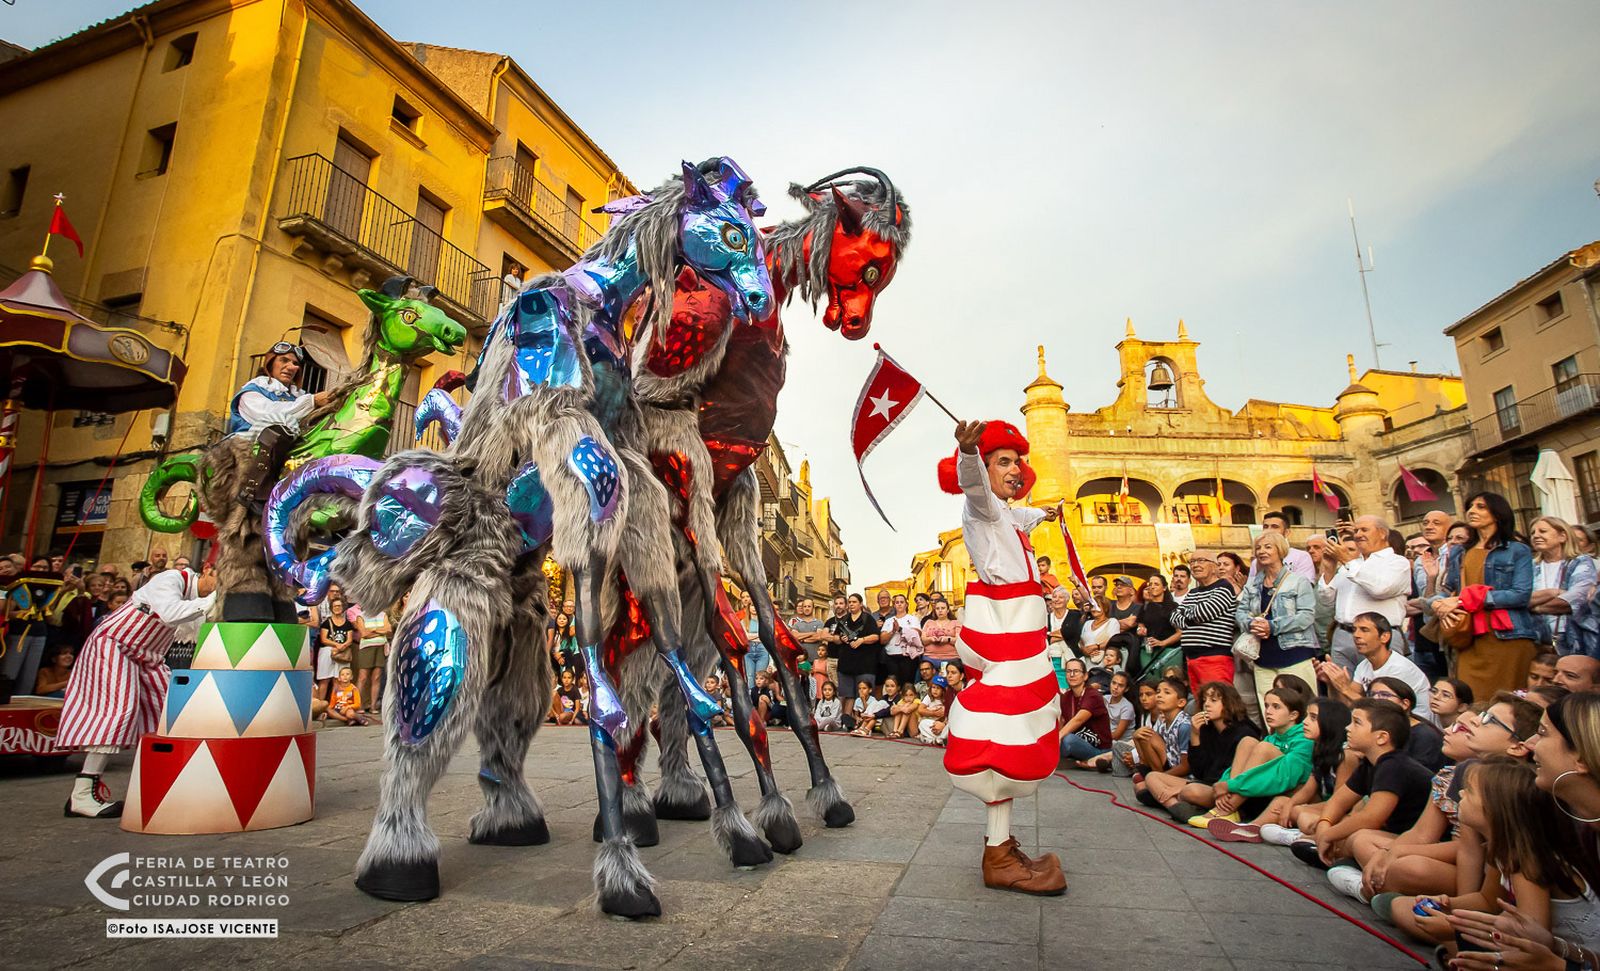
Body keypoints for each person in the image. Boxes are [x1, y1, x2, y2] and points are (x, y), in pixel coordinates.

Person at [938, 418, 1065, 895]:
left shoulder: (1010, 515)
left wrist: (1046, 514)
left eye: (1018, 462)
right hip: (1009, 644)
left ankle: (1001, 843)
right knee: (1006, 742)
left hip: (1023, 640)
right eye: (1004, 461)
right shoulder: (984, 508)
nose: (1015, 469)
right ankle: (998, 855)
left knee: (1014, 744)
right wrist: (969, 454)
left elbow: (1023, 517)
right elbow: (974, 490)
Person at [55, 568, 218, 817]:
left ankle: (170, 784)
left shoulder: (194, 598)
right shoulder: (171, 579)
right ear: (207, 570)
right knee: (117, 712)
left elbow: (194, 634)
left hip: (147, 658)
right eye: (221, 580)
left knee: (172, 708)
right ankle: (82, 793)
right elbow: (171, 613)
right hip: (115, 646)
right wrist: (216, 598)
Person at [1390, 759, 1589, 954]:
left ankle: (1459, 950)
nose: (1460, 793)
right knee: (1401, 907)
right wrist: (1449, 905)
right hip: (1512, 935)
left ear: (1495, 810)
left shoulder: (1527, 860)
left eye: (1469, 791)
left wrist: (1455, 930)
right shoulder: (1502, 847)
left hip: (1566, 954)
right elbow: (1487, 901)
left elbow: (1533, 939)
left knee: (1458, 940)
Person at [1285, 699, 1434, 870]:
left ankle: (1364, 874)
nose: (1347, 728)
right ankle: (1339, 858)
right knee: (1340, 832)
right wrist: (1324, 824)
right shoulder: (1370, 764)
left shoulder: (1394, 765)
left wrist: (1328, 835)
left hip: (1414, 841)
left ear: (1381, 737)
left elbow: (1371, 818)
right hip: (1391, 835)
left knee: (1359, 839)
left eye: (1356, 723)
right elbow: (1338, 801)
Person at [1431, 491, 1541, 700]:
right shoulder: (1460, 552)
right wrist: (1437, 604)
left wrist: (1471, 599)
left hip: (1509, 637)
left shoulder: (1518, 550)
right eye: (1470, 506)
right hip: (1469, 637)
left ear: (1498, 513)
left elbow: (1520, 595)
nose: (1472, 511)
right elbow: (1448, 591)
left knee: (1510, 704)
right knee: (1472, 703)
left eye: (1481, 506)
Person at [1217, 697, 1354, 844]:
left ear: (1330, 723)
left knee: (1301, 815)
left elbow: (1339, 803)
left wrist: (1297, 808)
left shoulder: (1346, 756)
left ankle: (1298, 837)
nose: (1305, 722)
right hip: (1321, 804)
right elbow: (1309, 788)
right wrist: (1290, 805)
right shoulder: (1318, 748)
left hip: (1338, 811)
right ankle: (1253, 829)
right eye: (1307, 716)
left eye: (1313, 718)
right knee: (1283, 802)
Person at [228, 342, 336, 507]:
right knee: (279, 427)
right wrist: (312, 401)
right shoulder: (253, 391)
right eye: (284, 360)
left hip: (290, 451)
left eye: (295, 363)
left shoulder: (297, 397)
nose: (291, 367)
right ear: (271, 363)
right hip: (247, 449)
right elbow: (269, 414)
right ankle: (255, 490)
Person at [1191, 685, 1313, 829]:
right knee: (1248, 742)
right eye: (1267, 705)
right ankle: (1229, 808)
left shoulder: (1304, 740)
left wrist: (1229, 786)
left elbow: (1287, 775)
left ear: (1293, 715)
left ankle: (1228, 810)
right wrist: (1226, 784)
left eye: (1276, 707)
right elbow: (1236, 767)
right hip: (1255, 792)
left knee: (1262, 747)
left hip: (1290, 793)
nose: (1268, 711)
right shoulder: (1271, 739)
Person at [1236, 530, 1319, 725]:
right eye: (1258, 548)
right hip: (1262, 658)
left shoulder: (1298, 582)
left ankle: (1306, 749)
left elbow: (1307, 616)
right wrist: (1252, 624)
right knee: (1271, 714)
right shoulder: (1252, 586)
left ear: (1280, 550)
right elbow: (1240, 613)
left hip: (1294, 654)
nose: (1262, 551)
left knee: (1303, 708)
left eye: (1268, 547)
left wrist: (1272, 627)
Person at [1145, 680, 1260, 820]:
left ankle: (1178, 802)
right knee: (1151, 777)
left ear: (1229, 703)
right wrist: (1195, 735)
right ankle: (1175, 806)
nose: (1207, 704)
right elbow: (1198, 771)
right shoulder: (1206, 728)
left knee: (1189, 791)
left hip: (1224, 789)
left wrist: (1181, 789)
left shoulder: (1244, 731)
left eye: (1213, 700)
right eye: (1205, 700)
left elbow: (1230, 775)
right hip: (1204, 783)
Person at [1318, 515, 1412, 674]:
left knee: (1382, 691)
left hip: (1378, 638)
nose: (1358, 534)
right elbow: (1326, 601)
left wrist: (1347, 561)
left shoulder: (1397, 562)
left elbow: (1380, 589)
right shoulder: (1352, 565)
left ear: (1382, 533)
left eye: (1364, 530)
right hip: (1342, 635)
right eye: (1355, 530)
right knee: (1342, 691)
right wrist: (1329, 568)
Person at [1318, 612, 1434, 723]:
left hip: (1413, 727)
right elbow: (1348, 704)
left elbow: (1384, 712)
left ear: (1384, 637)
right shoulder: (1364, 666)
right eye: (1354, 630)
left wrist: (1345, 688)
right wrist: (1332, 683)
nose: (1356, 635)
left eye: (1364, 630)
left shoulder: (1399, 668)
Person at [1529, 515, 1599, 658]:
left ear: (1562, 536)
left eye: (1542, 531)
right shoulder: (1529, 566)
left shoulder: (1580, 562)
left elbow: (1574, 601)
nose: (1536, 536)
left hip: (1575, 639)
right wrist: (1553, 592)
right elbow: (1518, 598)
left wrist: (1534, 607)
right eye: (1532, 533)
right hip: (1538, 640)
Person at [1171, 550, 1237, 694]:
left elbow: (1204, 613)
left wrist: (1189, 616)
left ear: (1214, 566)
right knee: (1201, 705)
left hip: (1214, 657)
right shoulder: (1194, 592)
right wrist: (1194, 616)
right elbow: (1174, 617)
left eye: (1201, 560)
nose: (1195, 565)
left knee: (1218, 703)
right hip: (1192, 659)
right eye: (1192, 562)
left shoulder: (1223, 587)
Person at [1057, 658, 1112, 767]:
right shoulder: (1066, 696)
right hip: (1079, 741)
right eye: (1068, 671)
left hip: (1099, 748)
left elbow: (1079, 719)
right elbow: (1062, 721)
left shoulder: (1092, 694)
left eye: (1076, 671)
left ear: (1085, 676)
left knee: (1068, 740)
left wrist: (1058, 737)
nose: (1072, 675)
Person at [833, 593, 884, 698]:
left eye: (854, 602)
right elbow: (835, 638)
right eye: (850, 602)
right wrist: (841, 639)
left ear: (860, 604)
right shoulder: (843, 620)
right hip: (846, 665)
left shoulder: (868, 619)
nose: (851, 604)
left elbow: (876, 637)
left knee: (865, 696)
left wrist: (862, 640)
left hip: (865, 666)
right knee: (846, 697)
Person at [1133, 573, 1180, 684]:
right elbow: (1141, 625)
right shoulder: (1145, 606)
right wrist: (1141, 630)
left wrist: (1163, 642)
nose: (1152, 587)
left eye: (1156, 584)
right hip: (1148, 650)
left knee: (1170, 682)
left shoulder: (1172, 606)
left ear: (1164, 588)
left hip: (1169, 650)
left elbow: (1180, 633)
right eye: (1150, 584)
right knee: (1151, 682)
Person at [316, 592, 361, 703]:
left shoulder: (347, 623)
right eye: (335, 606)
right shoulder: (327, 622)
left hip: (343, 652)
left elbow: (349, 639)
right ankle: (321, 705)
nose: (337, 608)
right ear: (331, 608)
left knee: (339, 680)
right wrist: (336, 645)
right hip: (327, 651)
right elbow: (324, 639)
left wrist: (342, 646)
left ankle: (336, 704)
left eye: (339, 606)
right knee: (324, 679)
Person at [879, 593, 923, 687]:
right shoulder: (889, 621)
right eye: (897, 602)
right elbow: (882, 640)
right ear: (894, 605)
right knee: (894, 685)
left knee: (907, 685)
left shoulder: (913, 619)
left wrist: (900, 629)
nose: (899, 604)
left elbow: (916, 634)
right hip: (891, 657)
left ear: (906, 604)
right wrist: (892, 631)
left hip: (908, 657)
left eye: (901, 602)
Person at [354, 601, 390, 714]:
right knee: (363, 677)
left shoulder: (383, 615)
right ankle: (358, 705)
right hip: (366, 648)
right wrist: (380, 631)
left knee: (377, 677)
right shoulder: (360, 616)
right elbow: (364, 634)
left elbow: (388, 630)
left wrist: (372, 630)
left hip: (380, 647)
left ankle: (373, 706)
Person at [920, 599, 961, 673]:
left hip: (950, 658)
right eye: (937, 608)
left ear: (948, 610)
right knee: (931, 683)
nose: (940, 610)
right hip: (929, 658)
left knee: (945, 682)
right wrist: (931, 639)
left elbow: (959, 641)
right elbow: (923, 640)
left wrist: (948, 639)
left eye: (943, 608)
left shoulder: (955, 623)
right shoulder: (929, 622)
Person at [918, 679, 949, 745]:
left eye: (938, 688)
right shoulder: (929, 697)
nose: (935, 690)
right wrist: (934, 713)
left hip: (942, 724)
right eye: (933, 687)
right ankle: (939, 740)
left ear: (943, 690)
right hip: (931, 723)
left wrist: (943, 723)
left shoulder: (946, 699)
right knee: (923, 723)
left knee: (947, 728)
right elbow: (920, 710)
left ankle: (934, 740)